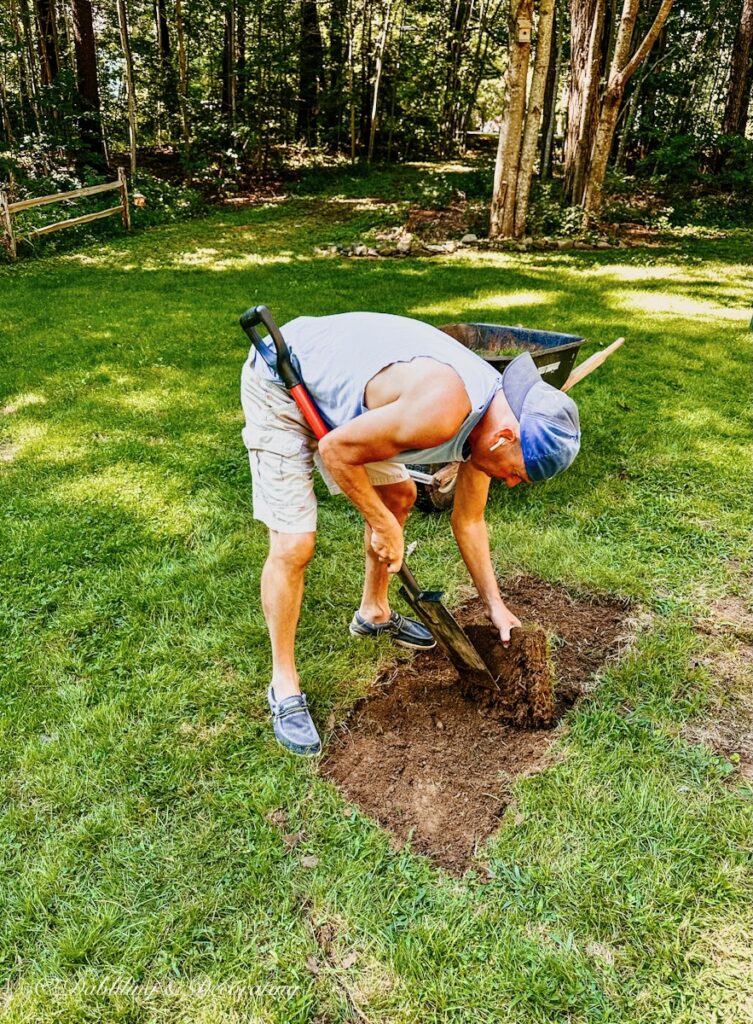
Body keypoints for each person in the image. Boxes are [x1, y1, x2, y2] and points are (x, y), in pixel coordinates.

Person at [240, 312, 581, 756]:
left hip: (352, 400)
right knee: (295, 543)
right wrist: (381, 525)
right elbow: (336, 450)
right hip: (284, 383)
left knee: (399, 495)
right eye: (517, 474)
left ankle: (374, 612)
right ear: (503, 438)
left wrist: (495, 607)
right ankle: (284, 685)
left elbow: (470, 521)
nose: (511, 483)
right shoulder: (443, 411)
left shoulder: (491, 427)